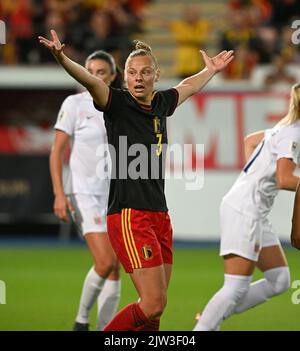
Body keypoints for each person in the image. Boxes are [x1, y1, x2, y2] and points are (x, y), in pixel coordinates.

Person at [39, 29, 233, 331]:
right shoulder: (116, 103)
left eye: (144, 72)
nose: (138, 78)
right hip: (130, 214)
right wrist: (62, 58)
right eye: (132, 72)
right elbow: (90, 81)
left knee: (156, 311)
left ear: (156, 75)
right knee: (152, 303)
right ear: (124, 77)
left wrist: (209, 70)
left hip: (159, 215)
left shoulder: (161, 104)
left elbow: (188, 87)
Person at [194, 83, 300, 331]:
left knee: (279, 279)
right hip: (246, 210)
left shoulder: (283, 128)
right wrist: (254, 184)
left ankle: (214, 315)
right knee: (236, 286)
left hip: (252, 209)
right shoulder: (293, 135)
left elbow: (249, 141)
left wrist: (253, 178)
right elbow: (284, 178)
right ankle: (206, 325)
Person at [50, 50, 122, 331]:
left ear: (113, 76)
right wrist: (59, 193)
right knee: (104, 262)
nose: (94, 76)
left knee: (116, 267)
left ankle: (106, 331)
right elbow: (57, 151)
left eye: (102, 72)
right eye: (90, 70)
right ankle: (81, 321)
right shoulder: (75, 104)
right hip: (84, 194)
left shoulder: (119, 104)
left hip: (114, 196)